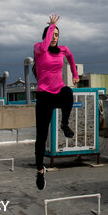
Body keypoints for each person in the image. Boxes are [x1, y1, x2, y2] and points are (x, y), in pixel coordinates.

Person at [33, 14, 79, 190]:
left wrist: (75, 75)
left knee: (68, 93)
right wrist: (52, 26)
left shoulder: (62, 50)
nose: (54, 38)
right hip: (44, 96)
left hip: (57, 90)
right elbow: (45, 46)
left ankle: (64, 124)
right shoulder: (38, 48)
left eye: (57, 35)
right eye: (52, 34)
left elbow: (71, 57)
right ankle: (39, 171)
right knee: (41, 137)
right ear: (46, 35)